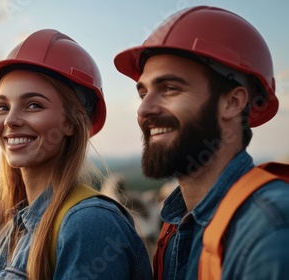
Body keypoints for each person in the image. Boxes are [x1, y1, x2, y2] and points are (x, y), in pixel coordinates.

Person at [114, 5, 289, 280]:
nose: (144, 109)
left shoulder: (270, 230)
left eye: (170, 88)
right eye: (143, 93)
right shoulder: (176, 226)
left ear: (232, 102)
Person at [0, 29, 152, 280]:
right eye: (3, 106)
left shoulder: (89, 224)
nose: (10, 120)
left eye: (33, 105)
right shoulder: (14, 229)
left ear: (71, 123)